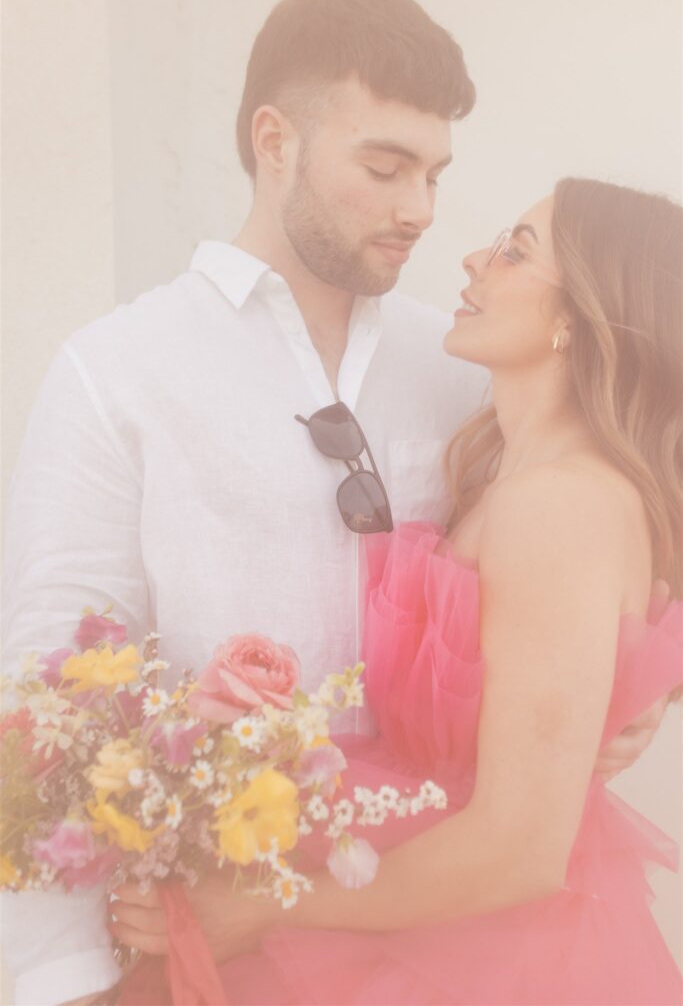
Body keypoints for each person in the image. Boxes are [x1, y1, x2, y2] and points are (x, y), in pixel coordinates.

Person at [0, 0, 673, 1004]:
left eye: (434, 172)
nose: (421, 209)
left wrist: (642, 689)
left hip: (435, 928)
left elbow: (614, 502)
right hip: (203, 934)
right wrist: (63, 979)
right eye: (383, 167)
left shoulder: (459, 371)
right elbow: (45, 683)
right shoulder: (116, 373)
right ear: (275, 140)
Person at [113, 180, 683, 1005]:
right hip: (409, 880)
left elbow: (521, 848)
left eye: (515, 250)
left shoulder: (563, 504)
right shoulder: (503, 472)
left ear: (578, 318)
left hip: (483, 942)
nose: (472, 259)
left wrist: (264, 909)